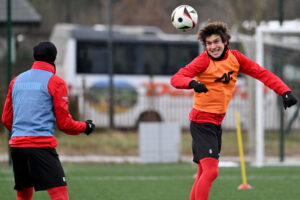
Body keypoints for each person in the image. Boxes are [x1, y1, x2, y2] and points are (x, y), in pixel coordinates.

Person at [170, 21, 297, 200]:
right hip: (201, 122)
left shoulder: (235, 58)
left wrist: (284, 91)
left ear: (225, 42)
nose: (213, 46)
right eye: (208, 43)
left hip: (215, 122)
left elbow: (261, 73)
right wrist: (191, 83)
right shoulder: (203, 60)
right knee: (211, 172)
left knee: (202, 173)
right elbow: (176, 78)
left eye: (216, 42)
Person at [2, 41, 95, 200]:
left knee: (23, 194)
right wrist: (85, 127)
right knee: (59, 194)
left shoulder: (16, 81)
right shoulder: (55, 82)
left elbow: (6, 120)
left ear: (34, 57)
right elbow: (65, 124)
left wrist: (22, 131)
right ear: (55, 58)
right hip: (40, 145)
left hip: (17, 146)